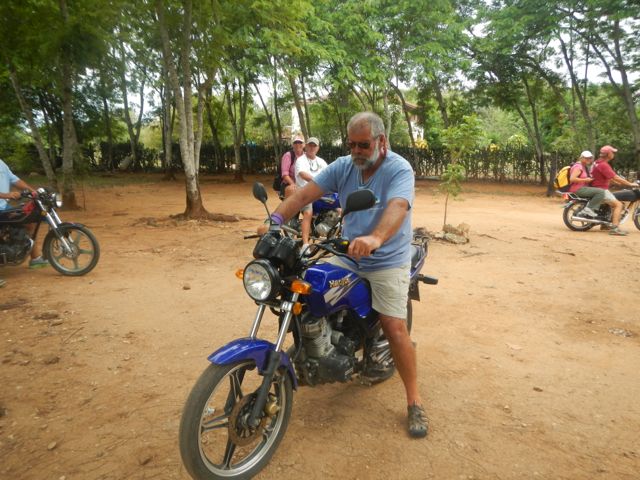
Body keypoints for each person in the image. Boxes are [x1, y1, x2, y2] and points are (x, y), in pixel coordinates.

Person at [259, 112, 428, 438]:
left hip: (387, 259)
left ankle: (414, 401)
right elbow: (304, 195)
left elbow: (397, 206)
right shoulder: (344, 166)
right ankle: (318, 351)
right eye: (352, 145)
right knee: (309, 290)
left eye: (363, 145)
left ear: (381, 141)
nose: (356, 151)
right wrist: (275, 221)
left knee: (394, 327)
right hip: (349, 254)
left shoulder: (399, 169)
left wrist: (376, 238)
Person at [0, 159, 49, 286]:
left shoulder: (1, 163)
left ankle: (36, 259)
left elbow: (15, 180)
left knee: (28, 221)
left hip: (3, 207)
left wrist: (34, 192)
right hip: (3, 203)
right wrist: (6, 195)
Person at [590, 145, 637, 236]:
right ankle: (615, 228)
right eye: (612, 152)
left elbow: (606, 176)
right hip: (601, 190)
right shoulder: (604, 165)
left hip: (596, 188)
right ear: (608, 154)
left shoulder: (597, 162)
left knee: (612, 202)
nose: (613, 154)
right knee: (618, 205)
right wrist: (630, 184)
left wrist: (617, 183)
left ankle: (605, 224)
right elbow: (615, 177)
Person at [294, 137, 328, 248]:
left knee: (340, 208)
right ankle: (305, 244)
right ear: (306, 146)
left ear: (318, 148)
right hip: (305, 192)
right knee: (308, 213)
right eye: (310, 145)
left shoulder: (321, 162)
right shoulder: (300, 160)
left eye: (314, 145)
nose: (312, 147)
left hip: (320, 192)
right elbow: (303, 174)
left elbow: (330, 174)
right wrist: (318, 181)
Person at [568, 151, 605, 218]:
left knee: (598, 190)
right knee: (601, 192)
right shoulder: (578, 166)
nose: (588, 159)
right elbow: (572, 179)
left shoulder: (583, 166)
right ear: (581, 158)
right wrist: (585, 180)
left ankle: (589, 210)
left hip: (581, 188)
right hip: (578, 189)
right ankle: (589, 209)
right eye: (586, 158)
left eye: (590, 158)